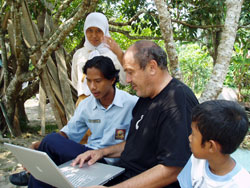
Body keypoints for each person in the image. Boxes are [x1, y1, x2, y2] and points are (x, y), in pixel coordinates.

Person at [72, 40, 199, 188]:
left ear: (152, 67)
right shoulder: (146, 97)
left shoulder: (177, 101)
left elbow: (173, 169)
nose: (127, 80)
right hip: (123, 173)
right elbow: (136, 144)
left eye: (131, 72)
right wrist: (101, 152)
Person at [10, 56, 138, 187]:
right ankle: (34, 172)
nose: (92, 87)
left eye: (98, 81)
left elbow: (139, 143)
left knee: (50, 144)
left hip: (112, 163)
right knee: (46, 168)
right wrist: (38, 146)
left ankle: (31, 173)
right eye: (89, 81)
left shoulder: (132, 104)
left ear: (112, 79)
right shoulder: (86, 105)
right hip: (88, 156)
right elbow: (68, 133)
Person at [177, 100, 250, 188]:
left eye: (194, 134)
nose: (190, 138)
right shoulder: (196, 161)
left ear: (211, 146)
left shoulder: (241, 184)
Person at [71, 12, 126, 106]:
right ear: (85, 30)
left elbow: (125, 80)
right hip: (83, 103)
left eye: (98, 30)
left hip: (108, 103)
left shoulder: (113, 54)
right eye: (90, 30)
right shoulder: (79, 54)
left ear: (104, 31)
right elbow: (75, 81)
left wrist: (120, 55)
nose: (94, 35)